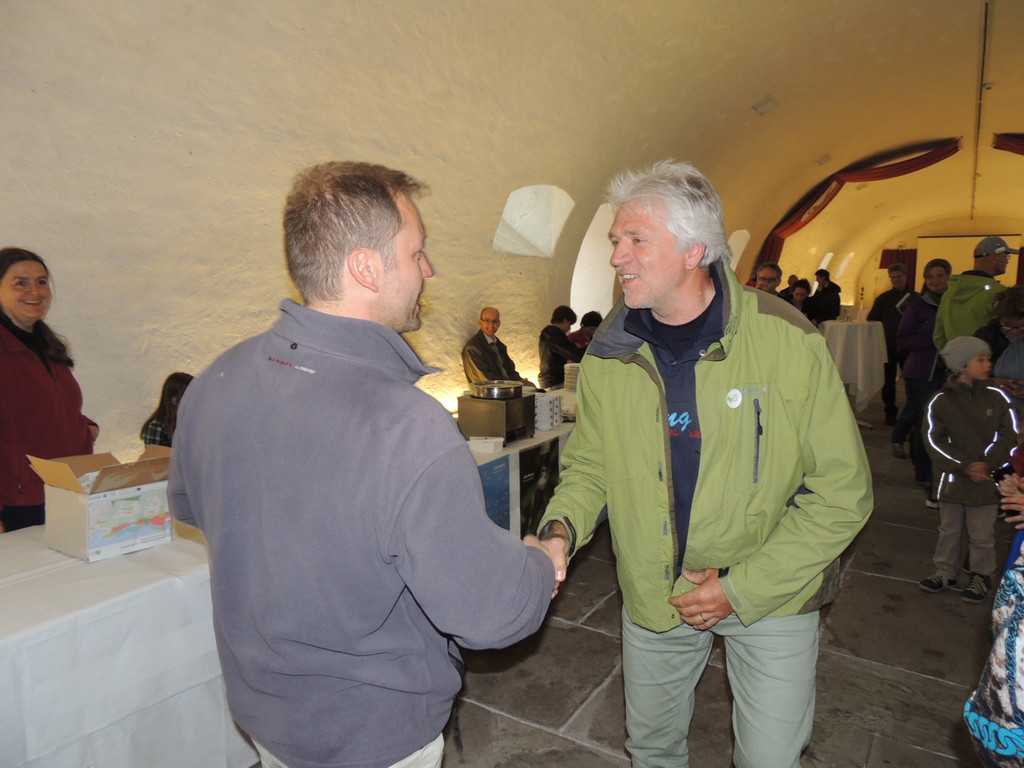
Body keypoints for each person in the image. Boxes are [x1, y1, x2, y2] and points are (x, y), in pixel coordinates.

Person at [168, 161, 559, 768]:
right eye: (417, 252)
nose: (428, 269)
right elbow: (491, 613)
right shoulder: (405, 424)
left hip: (266, 714)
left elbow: (201, 509)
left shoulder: (216, 379)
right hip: (374, 732)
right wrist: (540, 562)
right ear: (366, 268)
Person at [535, 160, 873, 768]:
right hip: (655, 589)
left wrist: (740, 588)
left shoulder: (787, 340)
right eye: (615, 240)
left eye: (636, 240)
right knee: (652, 750)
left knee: (770, 760)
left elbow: (842, 492)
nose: (617, 257)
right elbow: (590, 468)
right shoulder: (610, 351)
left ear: (695, 251)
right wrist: (560, 531)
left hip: (772, 592)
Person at [0, 248, 98, 533]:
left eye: (42, 282)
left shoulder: (47, 346)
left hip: (66, 491)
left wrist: (86, 427)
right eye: (21, 282)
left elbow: (51, 405)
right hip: (19, 504)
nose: (35, 291)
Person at [919, 336, 1018, 604]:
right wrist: (964, 465)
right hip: (953, 479)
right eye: (981, 359)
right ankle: (945, 572)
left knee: (982, 534)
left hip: (986, 480)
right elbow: (933, 440)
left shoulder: (997, 397)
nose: (988, 364)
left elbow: (1010, 434)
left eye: (988, 358)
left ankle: (982, 575)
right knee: (948, 530)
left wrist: (988, 463)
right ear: (962, 365)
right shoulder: (941, 401)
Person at [891, 259, 951, 507]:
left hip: (949, 374)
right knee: (925, 424)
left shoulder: (953, 303)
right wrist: (934, 340)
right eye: (930, 276)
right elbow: (903, 337)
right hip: (922, 373)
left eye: (939, 275)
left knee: (939, 424)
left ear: (948, 277)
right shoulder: (918, 306)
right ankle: (925, 475)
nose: (935, 281)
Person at [933, 235, 1016, 350]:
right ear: (994, 258)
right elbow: (1012, 332)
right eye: (1006, 256)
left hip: (957, 359)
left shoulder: (950, 292)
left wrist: (954, 358)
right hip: (989, 360)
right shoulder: (999, 294)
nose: (1007, 261)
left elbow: (939, 335)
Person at [868, 263, 918, 425]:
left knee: (911, 380)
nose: (896, 280)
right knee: (888, 381)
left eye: (899, 276)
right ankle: (890, 412)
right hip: (888, 345)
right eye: (893, 277)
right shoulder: (883, 299)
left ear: (906, 276)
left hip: (909, 346)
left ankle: (912, 411)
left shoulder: (916, 298)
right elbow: (872, 320)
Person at [974, 285, 1024, 416]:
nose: (1014, 331)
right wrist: (991, 382)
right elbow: (964, 376)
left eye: (1021, 326)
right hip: (990, 410)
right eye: (1008, 325)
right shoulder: (987, 336)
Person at [461, 306, 536, 386]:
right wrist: (514, 385)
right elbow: (486, 382)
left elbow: (511, 371)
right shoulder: (473, 349)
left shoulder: (499, 345)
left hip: (507, 388)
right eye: (487, 320)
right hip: (492, 391)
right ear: (480, 322)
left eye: (495, 321)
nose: (491, 325)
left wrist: (521, 382)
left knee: (531, 386)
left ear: (499, 324)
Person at [140, 372, 194, 447]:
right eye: (191, 397)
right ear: (175, 401)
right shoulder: (156, 426)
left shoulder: (194, 422)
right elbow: (157, 454)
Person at [537, 304, 581, 389]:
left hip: (546, 378)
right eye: (569, 324)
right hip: (553, 381)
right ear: (565, 320)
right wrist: (577, 348)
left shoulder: (547, 332)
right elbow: (572, 354)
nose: (569, 328)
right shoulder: (555, 335)